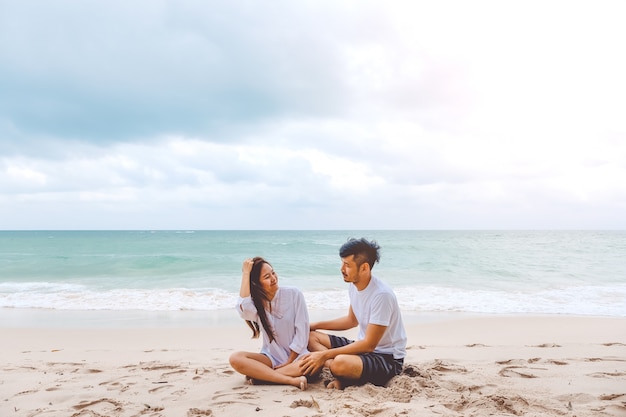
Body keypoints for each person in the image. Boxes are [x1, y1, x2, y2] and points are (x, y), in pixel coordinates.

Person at [300, 238, 407, 389]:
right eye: (342, 263)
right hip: (362, 350)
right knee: (311, 337)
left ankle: (341, 372)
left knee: (340, 362)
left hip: (387, 359)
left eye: (347, 265)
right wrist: (314, 325)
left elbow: (369, 345)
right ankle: (342, 372)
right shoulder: (354, 285)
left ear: (364, 268)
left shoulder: (382, 295)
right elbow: (351, 320)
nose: (342, 269)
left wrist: (324, 355)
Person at [229, 257, 309, 390]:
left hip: (297, 358)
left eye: (273, 272)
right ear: (256, 283)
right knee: (235, 358)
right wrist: (246, 274)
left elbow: (302, 331)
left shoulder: (294, 294)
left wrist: (289, 362)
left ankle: (264, 376)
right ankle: (288, 380)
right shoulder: (257, 304)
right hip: (271, 357)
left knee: (308, 365)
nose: (273, 278)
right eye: (267, 277)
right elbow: (243, 308)